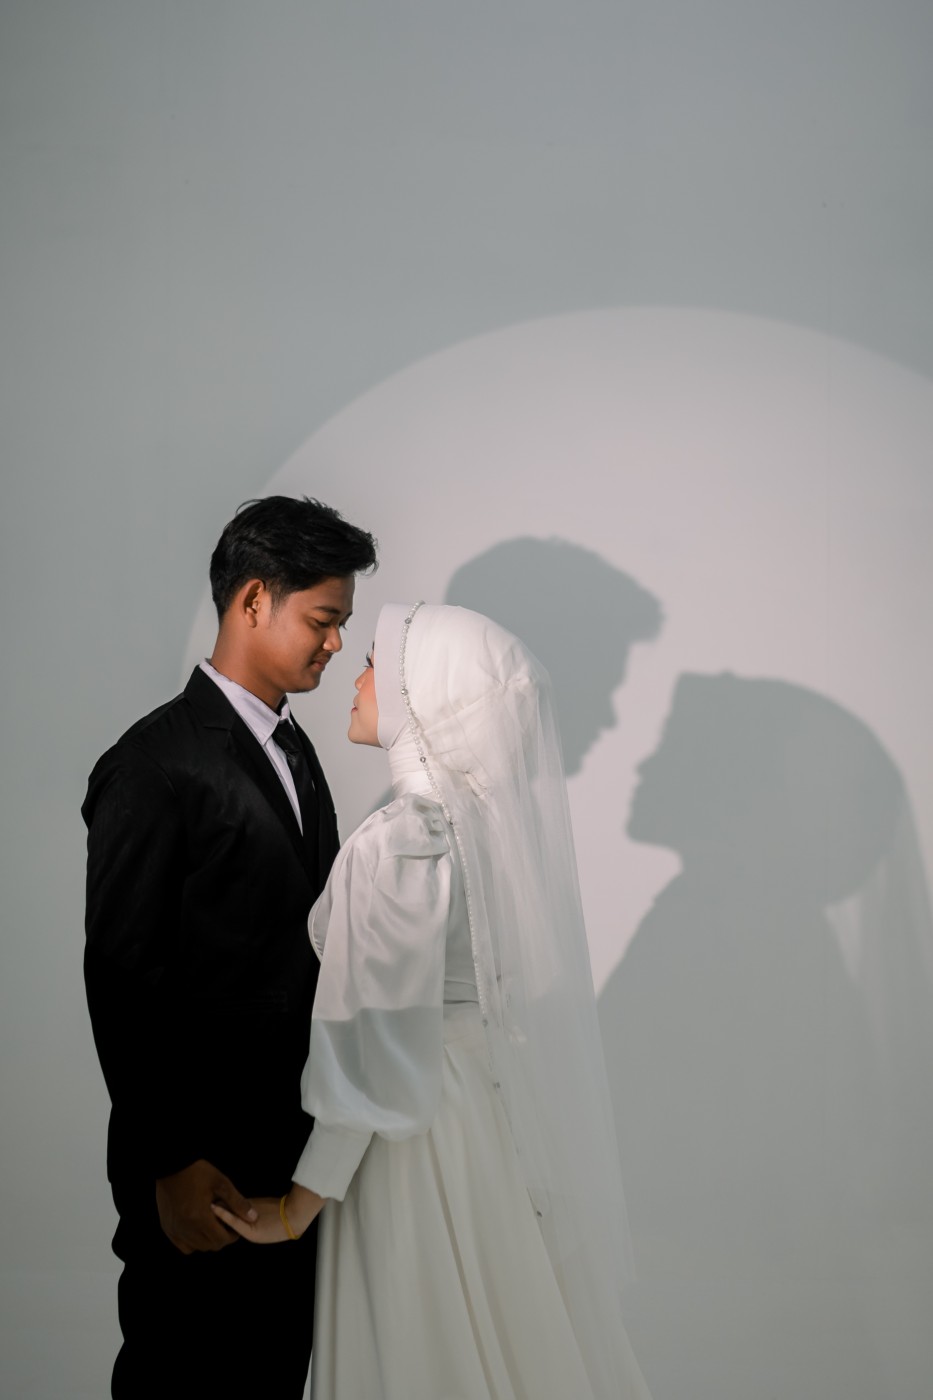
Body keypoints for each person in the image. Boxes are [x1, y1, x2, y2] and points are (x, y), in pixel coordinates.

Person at [214, 601, 653, 1400]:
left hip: (411, 1140)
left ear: (428, 697)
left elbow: (370, 1047)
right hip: (483, 1122)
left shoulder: (402, 842)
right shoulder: (482, 832)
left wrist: (300, 1204)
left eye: (375, 666)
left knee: (416, 1348)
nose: (357, 678)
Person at [82, 495, 377, 1399]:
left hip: (289, 1164)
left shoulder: (298, 751)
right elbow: (123, 976)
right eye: (322, 619)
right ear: (254, 600)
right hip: (199, 1170)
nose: (336, 643)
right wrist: (169, 1160)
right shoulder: (152, 764)